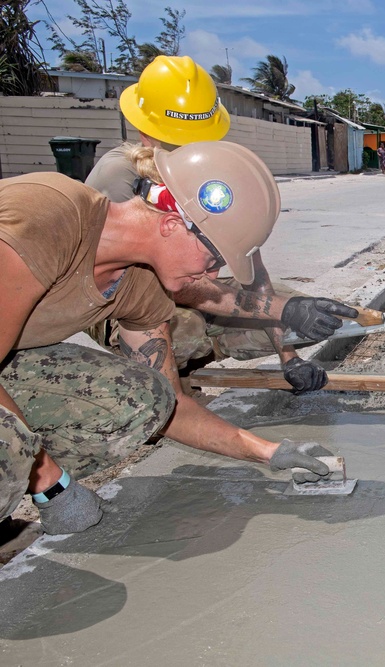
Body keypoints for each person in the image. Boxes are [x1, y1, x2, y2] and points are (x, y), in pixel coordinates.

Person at [0, 141, 351, 536]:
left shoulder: (140, 287)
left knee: (143, 398)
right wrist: (52, 483)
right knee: (9, 445)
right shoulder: (47, 213)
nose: (215, 276)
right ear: (171, 224)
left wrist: (272, 452)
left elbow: (171, 407)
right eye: (214, 260)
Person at [86, 55, 354, 394]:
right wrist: (269, 310)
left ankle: (203, 353)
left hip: (188, 286)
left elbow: (254, 276)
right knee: (185, 328)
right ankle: (167, 386)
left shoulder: (209, 172)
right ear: (144, 131)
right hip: (121, 300)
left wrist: (289, 357)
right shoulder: (119, 178)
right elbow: (168, 287)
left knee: (309, 315)